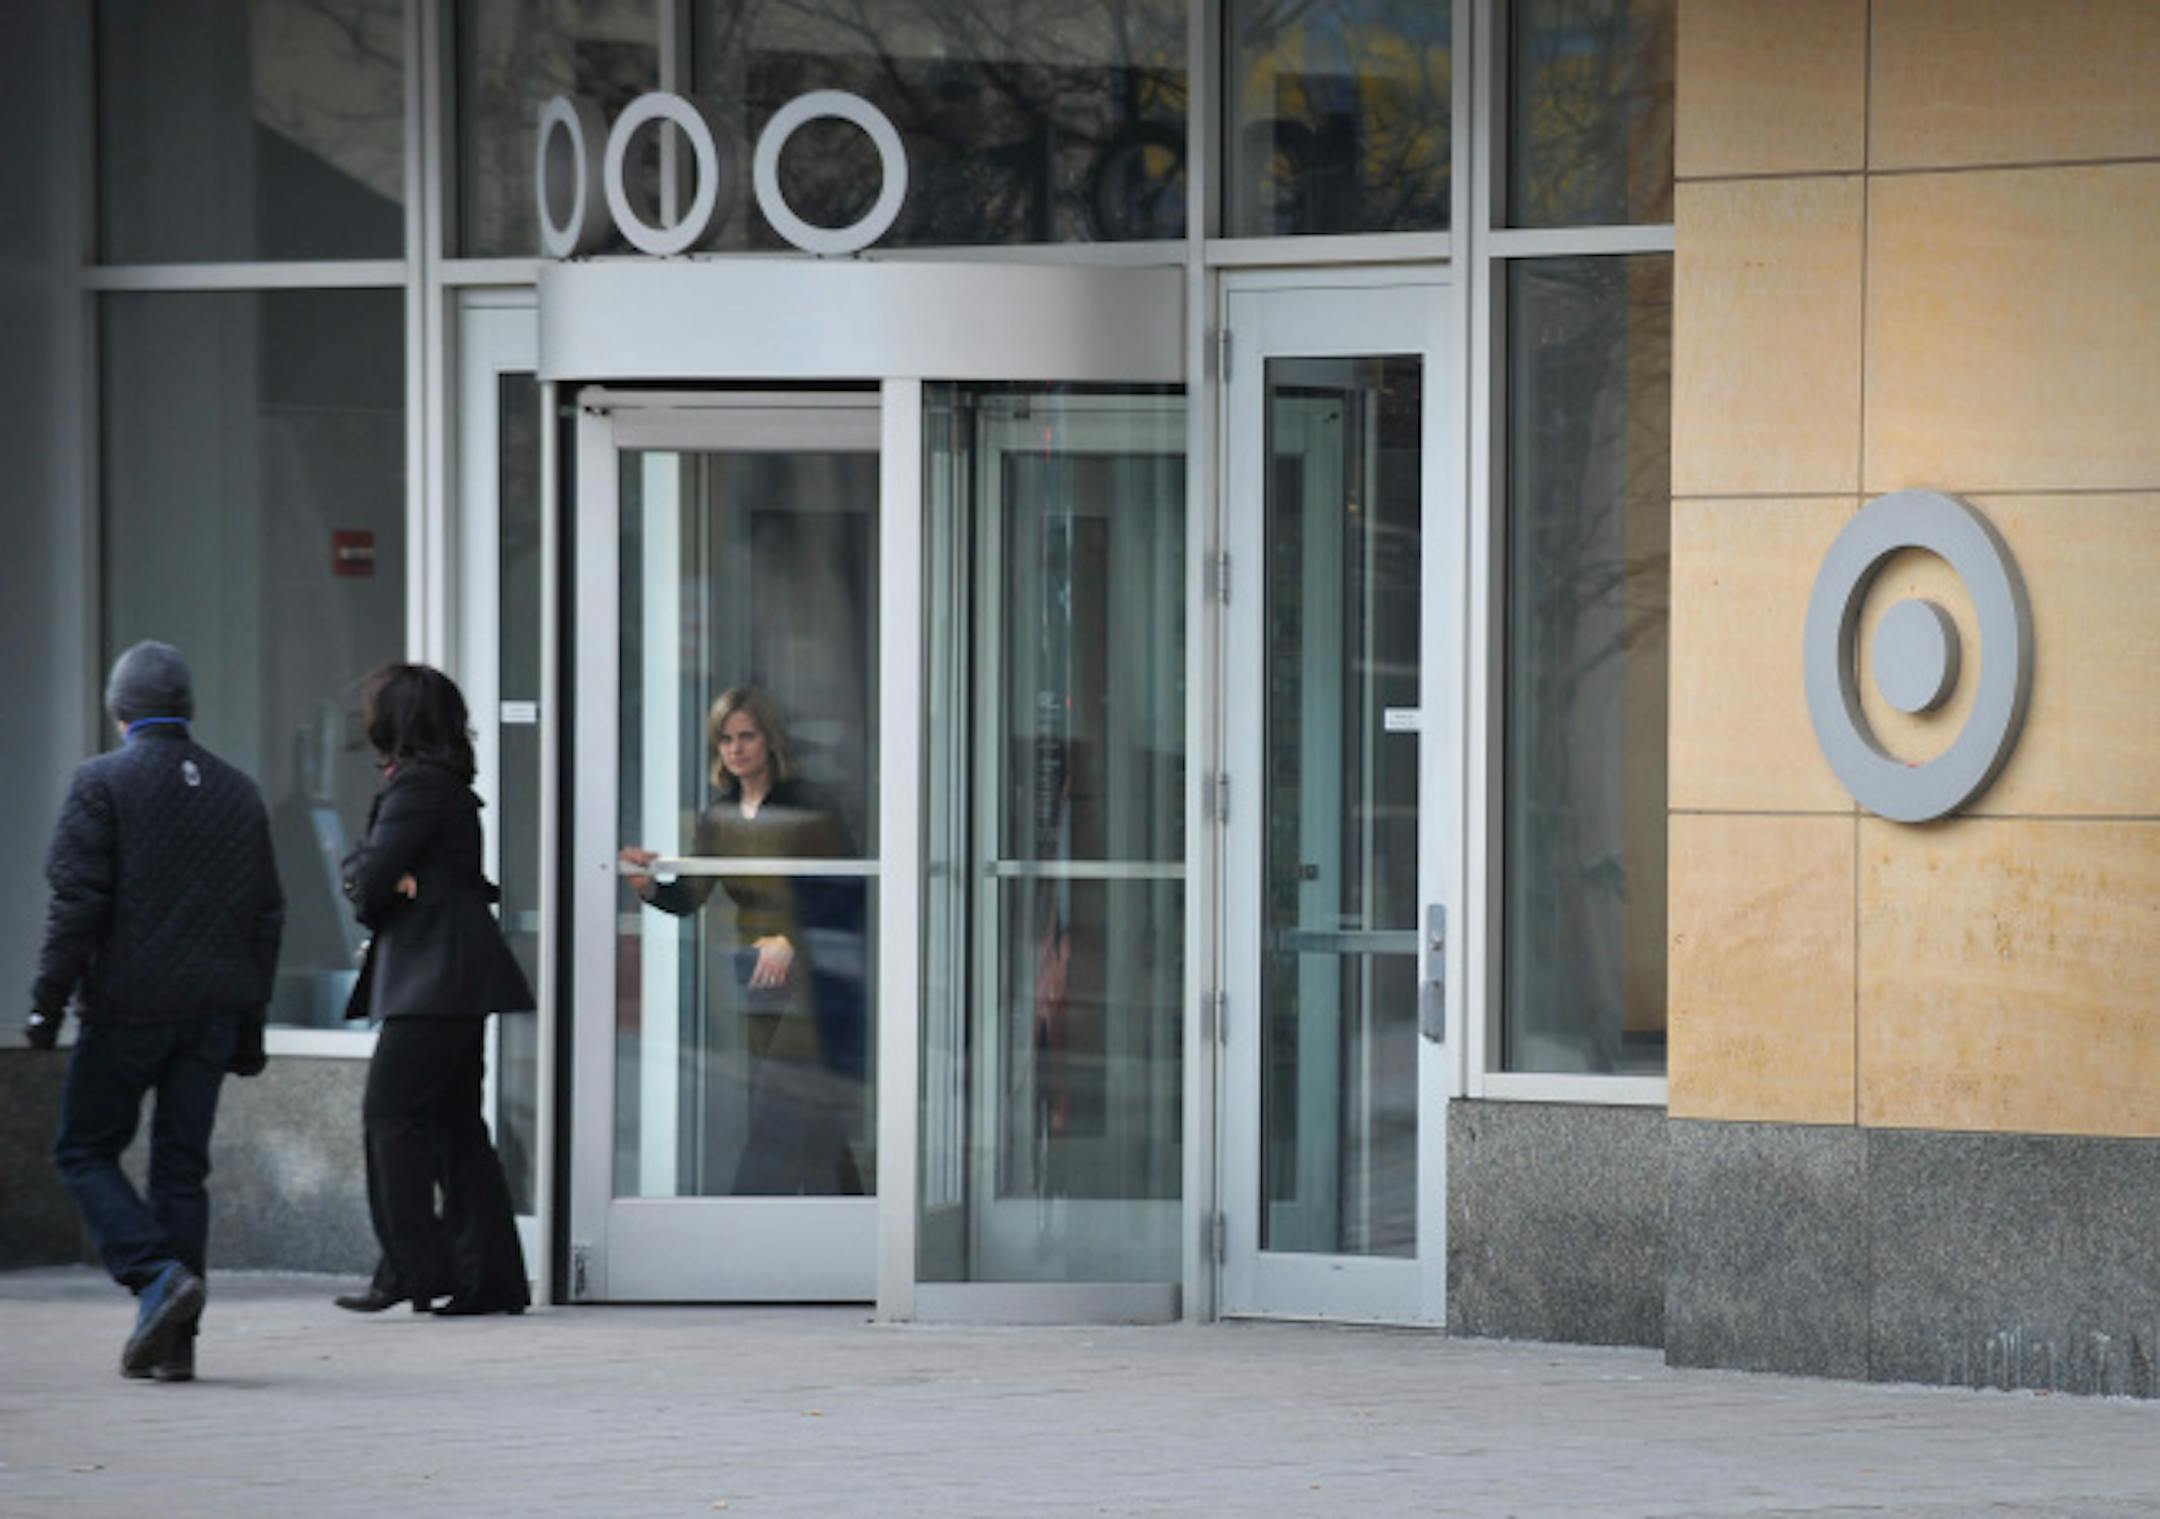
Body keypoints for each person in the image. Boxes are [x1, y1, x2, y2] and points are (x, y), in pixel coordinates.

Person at [26, 640, 285, 1383]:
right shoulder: (237, 789)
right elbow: (266, 914)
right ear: (187, 710)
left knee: (82, 1148)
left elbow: (76, 905)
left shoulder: (100, 782)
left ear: (120, 711)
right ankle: (175, 1344)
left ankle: (153, 1277)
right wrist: (250, 1021)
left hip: (127, 1007)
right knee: (181, 1169)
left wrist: (45, 1006)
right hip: (211, 1012)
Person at [336, 663, 533, 1316]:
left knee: (389, 1118)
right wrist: (383, 875)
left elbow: (366, 882)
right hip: (455, 978)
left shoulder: (416, 787)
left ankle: (412, 1267)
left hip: (432, 982)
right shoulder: (441, 785)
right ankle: (491, 1278)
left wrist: (385, 878)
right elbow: (372, 872)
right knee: (454, 1127)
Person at [620, 684, 865, 1195]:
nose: (735, 749)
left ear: (769, 739)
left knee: (782, 1104)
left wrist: (791, 942)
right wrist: (646, 887)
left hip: (813, 967)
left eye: (746, 736)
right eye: (725, 739)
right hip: (752, 971)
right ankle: (846, 1217)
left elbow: (846, 889)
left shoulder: (810, 806)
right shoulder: (720, 816)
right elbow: (691, 896)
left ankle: (747, 1215)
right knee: (801, 1109)